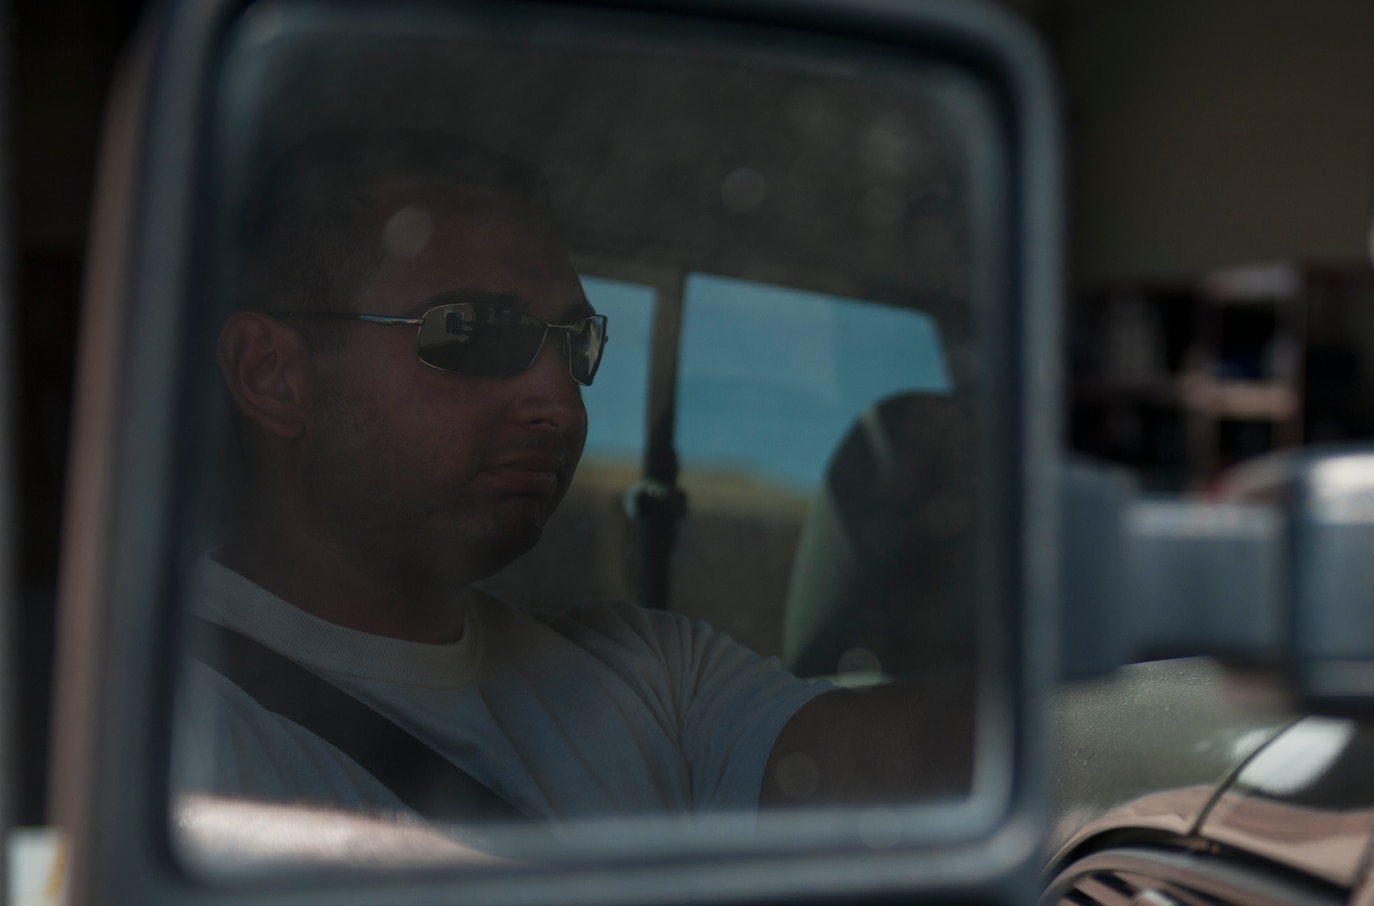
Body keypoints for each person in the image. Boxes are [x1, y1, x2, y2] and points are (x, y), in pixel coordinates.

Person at [174, 128, 970, 833]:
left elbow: (926, 768)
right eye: (477, 333)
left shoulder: (649, 678)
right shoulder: (157, 730)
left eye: (575, 342)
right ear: (273, 375)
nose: (561, 399)